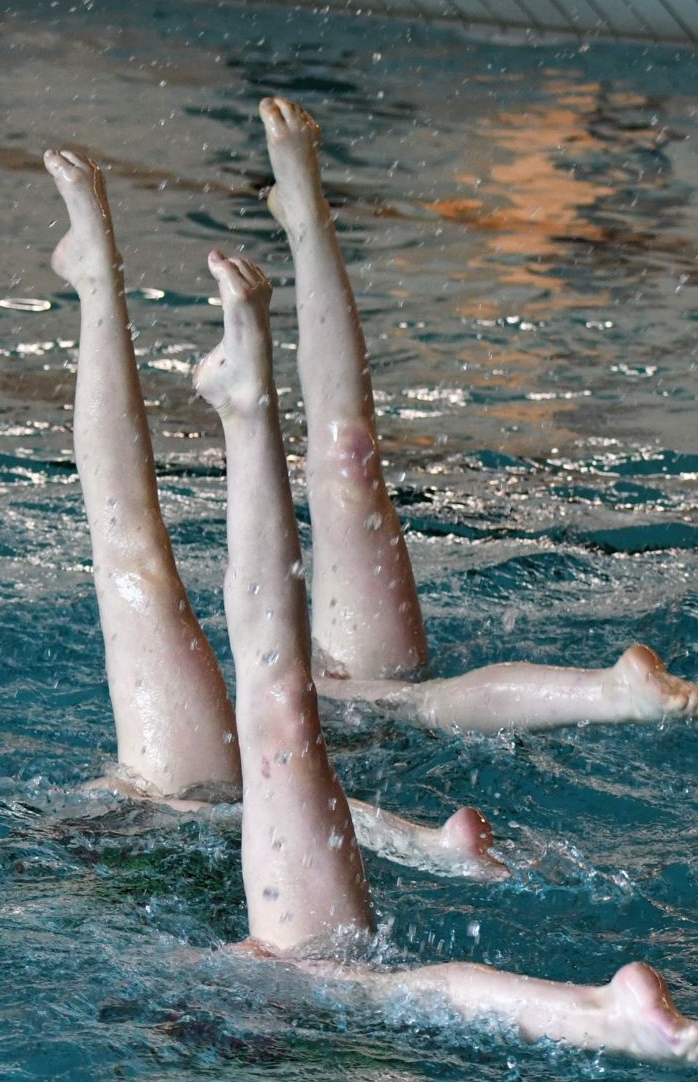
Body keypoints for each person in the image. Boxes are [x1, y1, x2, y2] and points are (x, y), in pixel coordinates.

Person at [190, 246, 698, 1065]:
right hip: (302, 968)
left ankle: (602, 1013)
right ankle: (246, 398)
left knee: (296, 718)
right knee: (306, 704)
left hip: (293, 987)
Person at [43, 145, 507, 881]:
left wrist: (409, 840)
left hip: (265, 770)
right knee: (150, 572)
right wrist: (406, 839)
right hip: (328, 752)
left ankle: (108, 281)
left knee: (151, 569)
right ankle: (111, 283)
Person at [252, 98, 698, 731]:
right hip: (319, 736)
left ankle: (309, 220)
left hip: (329, 679)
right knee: (388, 705)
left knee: (351, 460)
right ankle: (609, 695)